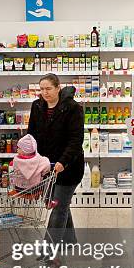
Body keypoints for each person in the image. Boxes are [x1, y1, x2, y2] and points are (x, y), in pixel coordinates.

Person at [27, 73, 84, 250]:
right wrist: (28, 155)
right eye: (42, 89)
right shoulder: (36, 106)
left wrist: (63, 162)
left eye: (48, 89)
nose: (45, 92)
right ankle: (70, 241)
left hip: (69, 168)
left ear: (58, 88)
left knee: (58, 207)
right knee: (61, 204)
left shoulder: (73, 108)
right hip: (47, 166)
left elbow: (76, 140)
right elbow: (32, 135)